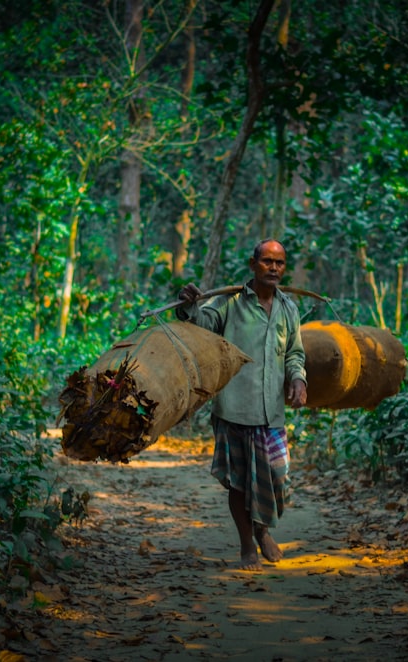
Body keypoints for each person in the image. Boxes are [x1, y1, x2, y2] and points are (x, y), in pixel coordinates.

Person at [176, 238, 307, 571]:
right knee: (238, 482)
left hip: (271, 411)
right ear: (253, 264)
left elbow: (294, 351)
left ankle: (262, 529)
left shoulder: (289, 308)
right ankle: (248, 543)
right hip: (234, 407)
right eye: (267, 261)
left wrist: (298, 379)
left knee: (277, 477)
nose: (273, 268)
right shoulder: (230, 303)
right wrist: (189, 306)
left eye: (279, 263)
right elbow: (202, 326)